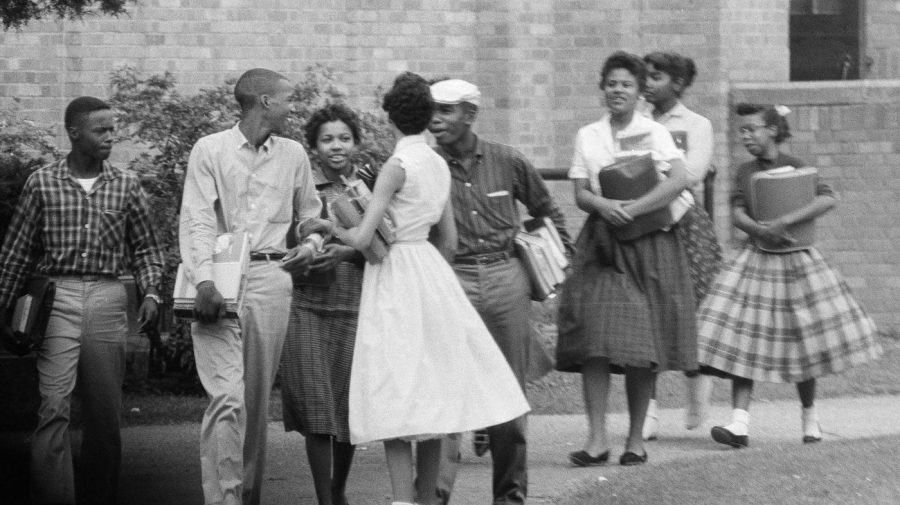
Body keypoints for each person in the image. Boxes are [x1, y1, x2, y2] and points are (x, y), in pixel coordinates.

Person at [334, 71, 529, 505]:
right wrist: (430, 281)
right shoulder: (438, 163)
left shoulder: (396, 166)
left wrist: (329, 226)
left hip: (396, 273)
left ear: (391, 119)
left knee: (397, 389)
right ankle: (425, 500)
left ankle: (403, 500)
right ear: (425, 117)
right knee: (431, 391)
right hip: (430, 271)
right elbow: (452, 241)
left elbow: (364, 238)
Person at [0, 96, 165, 505]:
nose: (111, 137)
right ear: (74, 132)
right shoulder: (41, 182)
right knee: (52, 404)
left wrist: (150, 292)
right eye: (101, 130)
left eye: (113, 128)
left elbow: (146, 249)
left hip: (109, 298)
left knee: (104, 415)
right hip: (58, 296)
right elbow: (17, 251)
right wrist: (2, 307)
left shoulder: (126, 184)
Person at [179, 68, 325, 505]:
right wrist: (204, 280)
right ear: (262, 101)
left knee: (255, 405)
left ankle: (247, 496)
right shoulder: (210, 150)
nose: (292, 106)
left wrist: (312, 244)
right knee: (226, 397)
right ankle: (223, 499)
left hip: (270, 278)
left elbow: (310, 216)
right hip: (215, 280)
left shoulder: (294, 154)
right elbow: (197, 218)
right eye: (286, 98)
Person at [699, 103, 883, 448]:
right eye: (742, 131)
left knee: (805, 341)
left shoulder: (797, 166)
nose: (746, 136)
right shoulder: (745, 170)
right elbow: (738, 211)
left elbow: (827, 198)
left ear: (772, 130)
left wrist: (785, 221)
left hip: (797, 261)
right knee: (745, 336)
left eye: (752, 129)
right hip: (758, 259)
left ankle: (809, 418)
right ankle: (739, 423)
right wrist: (758, 229)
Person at [427, 78, 573, 505]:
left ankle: (510, 497)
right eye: (431, 110)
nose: (435, 119)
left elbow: (548, 211)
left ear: (470, 115)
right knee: (446, 394)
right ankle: (435, 495)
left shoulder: (508, 160)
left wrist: (543, 268)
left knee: (509, 397)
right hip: (451, 279)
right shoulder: (428, 164)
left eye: (446, 110)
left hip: (504, 275)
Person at [555, 51, 697, 466]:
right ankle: (597, 438)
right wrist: (603, 205)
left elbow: (679, 180)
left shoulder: (654, 133)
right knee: (594, 339)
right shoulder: (588, 135)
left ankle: (635, 439)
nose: (618, 91)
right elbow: (580, 191)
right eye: (611, 83)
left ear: (639, 93)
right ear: (602, 88)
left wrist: (632, 209)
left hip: (648, 243)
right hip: (602, 244)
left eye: (627, 85)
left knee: (641, 343)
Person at [280, 103, 367, 505]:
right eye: (327, 139)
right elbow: (284, 240)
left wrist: (346, 254)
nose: (336, 147)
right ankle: (324, 499)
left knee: (348, 409)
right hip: (309, 305)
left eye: (344, 138)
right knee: (317, 407)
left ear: (357, 143)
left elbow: (386, 245)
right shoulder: (303, 187)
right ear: (313, 146)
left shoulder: (367, 187)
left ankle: (339, 490)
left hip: (356, 306)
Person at [640, 51, 722, 440]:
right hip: (644, 224)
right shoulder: (636, 121)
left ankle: (698, 389)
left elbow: (692, 171)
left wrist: (647, 175)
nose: (647, 83)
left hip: (683, 222)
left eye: (655, 77)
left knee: (693, 306)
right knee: (647, 310)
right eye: (646, 76)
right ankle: (648, 409)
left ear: (676, 83)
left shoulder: (696, 124)